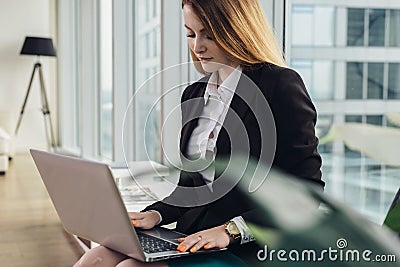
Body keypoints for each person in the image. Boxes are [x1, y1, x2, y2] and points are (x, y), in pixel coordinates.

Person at [73, 0, 324, 266]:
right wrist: (156, 214)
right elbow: (193, 186)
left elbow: (308, 193)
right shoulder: (193, 94)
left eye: (210, 34)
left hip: (248, 247)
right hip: (191, 237)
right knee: (96, 257)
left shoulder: (280, 85)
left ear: (237, 30)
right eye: (191, 34)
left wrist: (230, 230)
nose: (197, 46)